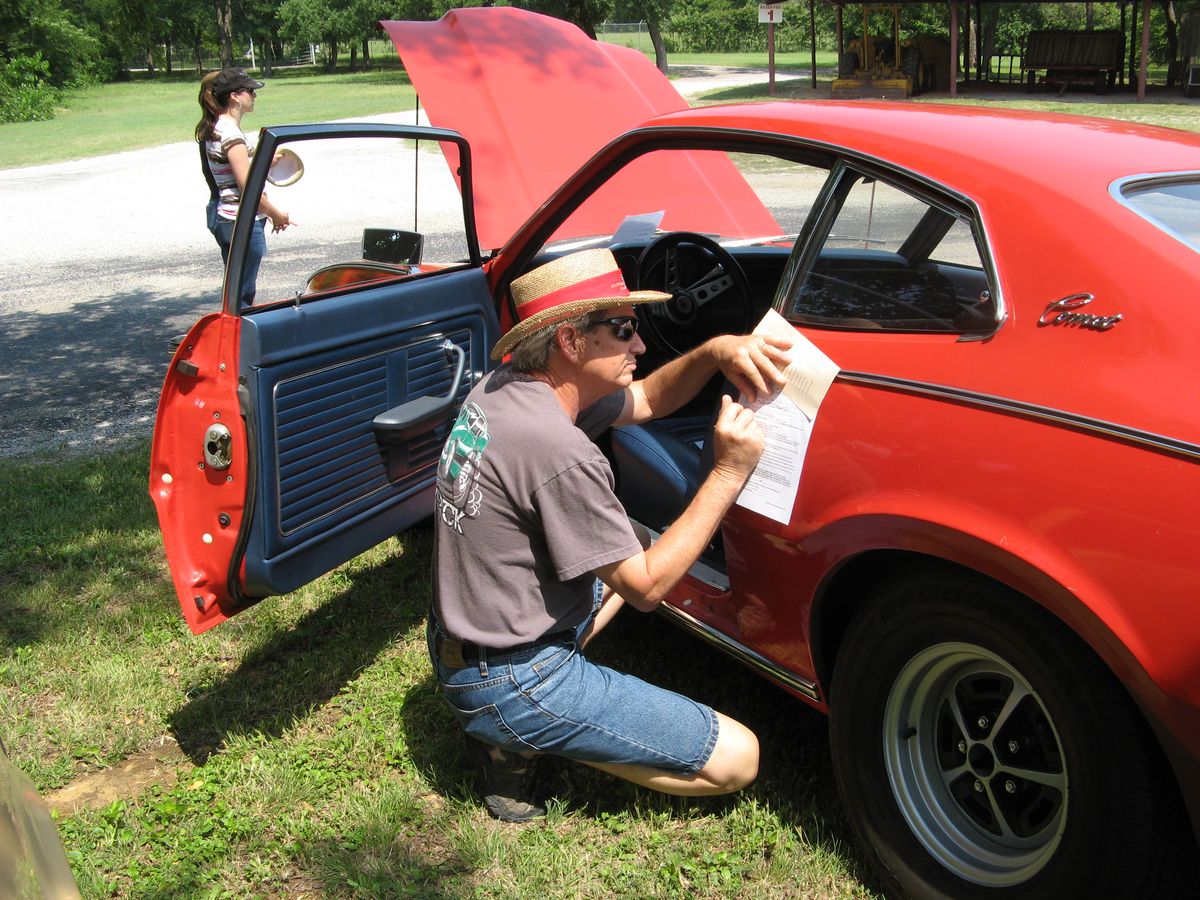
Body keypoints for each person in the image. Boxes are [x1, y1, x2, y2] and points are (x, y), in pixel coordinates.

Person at [430, 247, 791, 822]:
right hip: (510, 674)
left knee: (635, 545)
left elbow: (648, 398)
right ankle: (521, 735)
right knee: (739, 759)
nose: (641, 346)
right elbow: (647, 589)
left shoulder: (512, 387)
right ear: (571, 343)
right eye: (623, 330)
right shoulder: (558, 450)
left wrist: (717, 350)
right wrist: (728, 471)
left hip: (465, 637)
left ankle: (510, 718)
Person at [194, 68, 292, 307]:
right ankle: (240, 342)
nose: (254, 96)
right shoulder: (230, 134)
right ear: (234, 96)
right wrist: (276, 213)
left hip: (229, 218)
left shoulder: (217, 126)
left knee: (236, 289)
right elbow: (247, 187)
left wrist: (265, 159)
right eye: (249, 91)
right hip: (241, 220)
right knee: (242, 296)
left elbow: (231, 169)